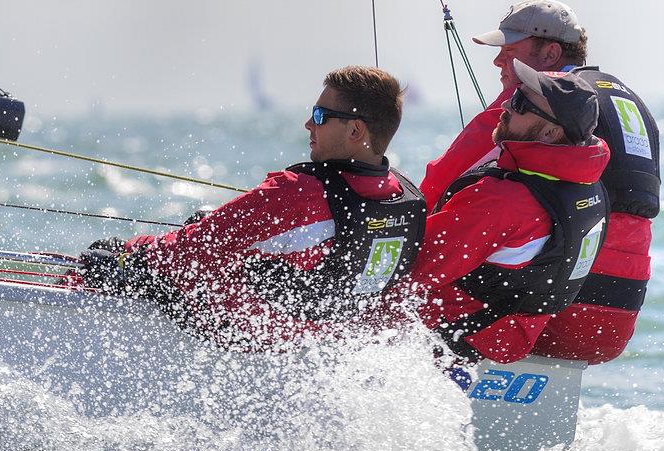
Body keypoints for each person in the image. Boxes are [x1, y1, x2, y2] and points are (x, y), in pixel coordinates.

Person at [78, 66, 426, 350]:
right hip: (316, 342)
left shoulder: (297, 192)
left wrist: (128, 254)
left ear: (355, 129)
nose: (309, 124)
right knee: (204, 226)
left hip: (241, 336)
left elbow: (193, 248)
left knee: (118, 258)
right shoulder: (405, 199)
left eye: (320, 115)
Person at [422, 0, 660, 364]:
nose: (499, 62)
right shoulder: (628, 103)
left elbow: (440, 183)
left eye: (511, 52)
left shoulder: (535, 100)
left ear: (550, 53)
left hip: (548, 312)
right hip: (619, 315)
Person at [402, 58, 610, 365]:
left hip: (455, 345)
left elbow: (412, 273)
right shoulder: (589, 187)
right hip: (508, 340)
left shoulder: (503, 200)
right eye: (514, 95)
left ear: (551, 133)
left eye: (520, 102)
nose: (506, 108)